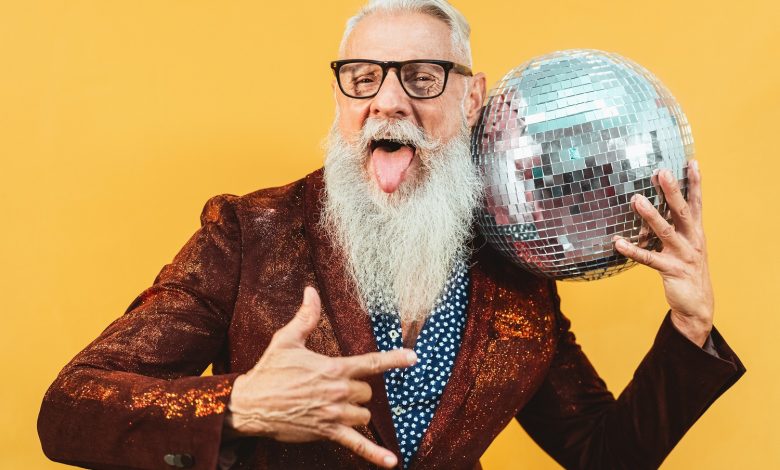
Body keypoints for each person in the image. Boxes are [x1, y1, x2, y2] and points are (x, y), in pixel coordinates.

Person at [38, 1, 745, 469]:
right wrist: (240, 406)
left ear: (473, 98)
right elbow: (69, 409)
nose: (387, 100)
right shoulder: (249, 233)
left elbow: (603, 455)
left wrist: (690, 327)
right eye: (363, 77)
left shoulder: (516, 269)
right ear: (340, 96)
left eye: (423, 76)